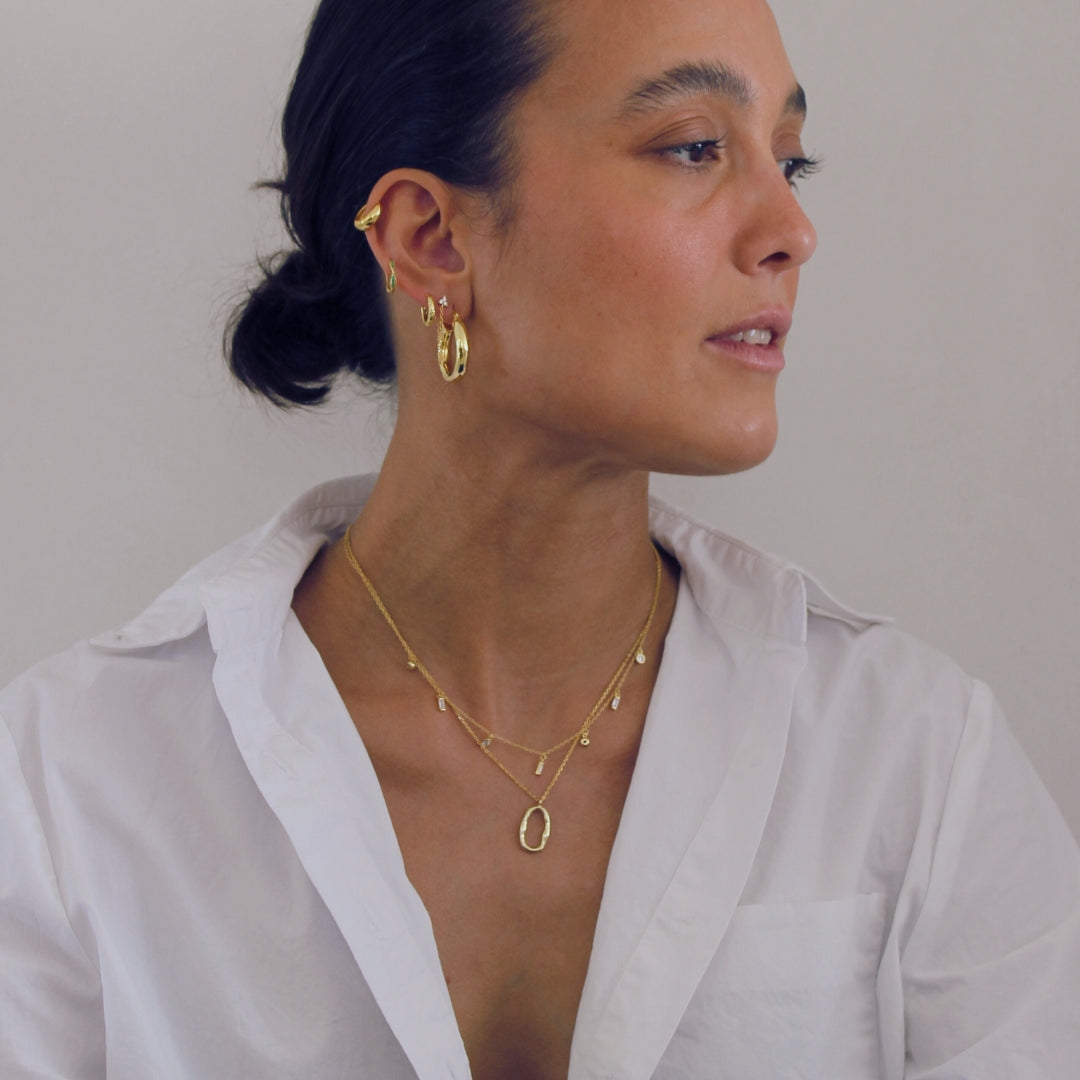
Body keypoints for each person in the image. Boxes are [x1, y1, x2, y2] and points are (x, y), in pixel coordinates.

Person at [2, 0, 1078, 1076]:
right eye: (696, 147)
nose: (789, 231)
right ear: (432, 239)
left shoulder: (914, 762)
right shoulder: (67, 794)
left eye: (788, 162)